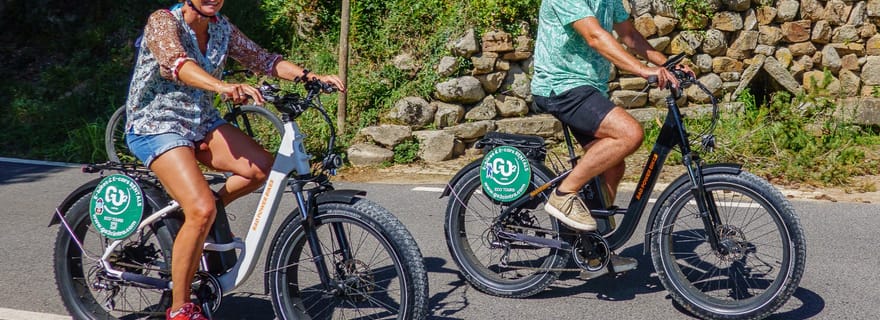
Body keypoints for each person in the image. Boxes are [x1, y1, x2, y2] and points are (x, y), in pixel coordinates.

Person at [123, 0, 345, 319]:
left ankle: (201, 216)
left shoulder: (222, 29)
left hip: (201, 122)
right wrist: (222, 86)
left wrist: (309, 76)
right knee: (201, 209)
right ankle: (180, 308)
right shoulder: (163, 21)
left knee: (261, 168)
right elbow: (177, 64)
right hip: (157, 125)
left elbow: (264, 60)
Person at [530, 0, 689, 276]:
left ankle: (592, 249)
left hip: (589, 88)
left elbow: (629, 34)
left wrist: (667, 65)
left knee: (613, 165)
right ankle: (563, 195)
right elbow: (594, 35)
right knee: (629, 133)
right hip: (561, 86)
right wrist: (644, 70)